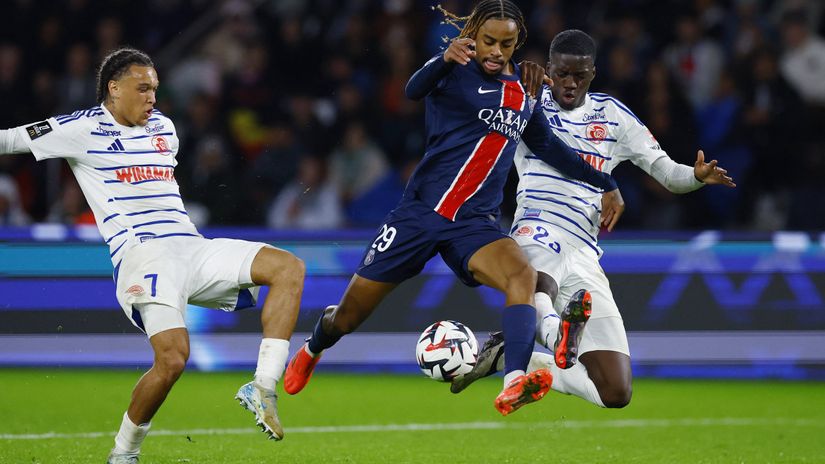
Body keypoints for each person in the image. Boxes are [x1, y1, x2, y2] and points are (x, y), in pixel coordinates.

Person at [282, 0, 623, 416]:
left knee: (522, 275)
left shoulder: (525, 93)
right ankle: (314, 346)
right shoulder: (453, 70)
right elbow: (413, 90)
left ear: (518, 43)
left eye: (507, 43)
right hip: (419, 216)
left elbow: (550, 146)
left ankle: (514, 379)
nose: (496, 51)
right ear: (474, 36)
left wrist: (605, 182)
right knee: (349, 316)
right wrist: (442, 59)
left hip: (473, 225)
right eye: (489, 41)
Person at [0, 48, 305, 463]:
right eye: (143, 88)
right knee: (174, 359)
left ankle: (262, 386)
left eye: (155, 89)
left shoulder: (164, 127)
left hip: (191, 246)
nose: (152, 98)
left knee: (288, 267)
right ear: (114, 88)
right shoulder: (81, 128)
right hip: (143, 256)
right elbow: (10, 139)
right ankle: (124, 454)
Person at [451, 29, 735, 408]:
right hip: (537, 226)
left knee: (615, 392)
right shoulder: (526, 101)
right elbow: (479, 92)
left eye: (579, 76)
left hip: (585, 252)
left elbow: (667, 173)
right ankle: (556, 337)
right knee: (536, 282)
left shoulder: (614, 116)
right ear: (550, 68)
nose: (570, 84)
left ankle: (510, 356)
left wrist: (696, 177)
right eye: (563, 73)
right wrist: (474, 62)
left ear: (593, 73)